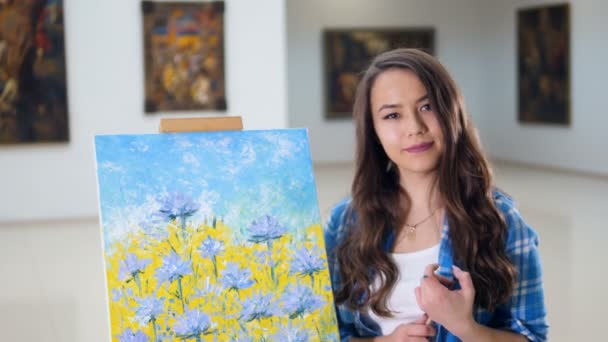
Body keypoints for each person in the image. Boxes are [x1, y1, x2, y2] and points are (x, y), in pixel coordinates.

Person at [324, 48, 548, 341]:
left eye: (427, 107)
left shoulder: (501, 221)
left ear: (452, 110)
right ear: (373, 130)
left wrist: (465, 327)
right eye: (392, 115)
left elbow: (533, 336)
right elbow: (325, 332)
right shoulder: (344, 223)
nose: (414, 128)